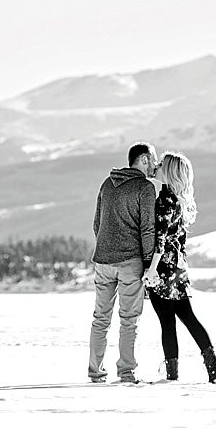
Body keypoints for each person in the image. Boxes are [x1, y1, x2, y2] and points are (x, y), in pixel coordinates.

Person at [143, 151, 216, 384]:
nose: (157, 165)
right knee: (189, 317)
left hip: (161, 269)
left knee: (167, 322)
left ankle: (173, 376)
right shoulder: (180, 200)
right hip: (179, 268)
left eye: (162, 164)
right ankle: (214, 368)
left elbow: (159, 241)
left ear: (169, 172)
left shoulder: (163, 201)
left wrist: (151, 271)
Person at [88, 141, 157, 384]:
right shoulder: (145, 188)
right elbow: (148, 229)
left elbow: (97, 223)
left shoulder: (107, 183)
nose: (156, 165)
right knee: (129, 319)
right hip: (130, 261)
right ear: (145, 160)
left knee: (101, 317)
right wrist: (149, 264)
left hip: (103, 261)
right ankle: (126, 372)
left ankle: (96, 371)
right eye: (154, 160)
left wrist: (106, 247)